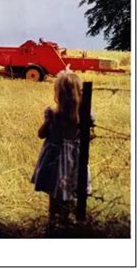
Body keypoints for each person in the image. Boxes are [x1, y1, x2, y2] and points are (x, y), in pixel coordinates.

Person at [31, 70, 93, 234]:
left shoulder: (52, 113)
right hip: (75, 159)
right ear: (80, 91)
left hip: (54, 160)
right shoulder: (86, 115)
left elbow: (41, 134)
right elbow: (89, 136)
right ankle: (71, 226)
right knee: (73, 192)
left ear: (58, 93)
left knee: (54, 195)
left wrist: (47, 122)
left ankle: (53, 227)